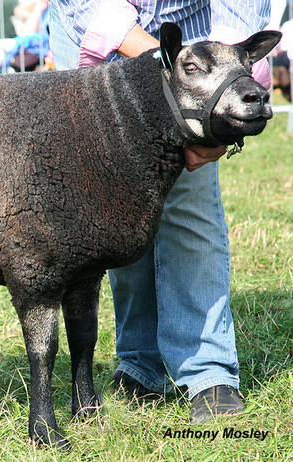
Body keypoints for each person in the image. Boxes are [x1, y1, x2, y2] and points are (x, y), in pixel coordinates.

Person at [49, 0, 272, 423]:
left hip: (201, 48)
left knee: (190, 203)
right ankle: (140, 362)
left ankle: (208, 372)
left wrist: (215, 106)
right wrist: (175, 69)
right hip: (102, 39)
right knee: (119, 209)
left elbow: (241, 13)